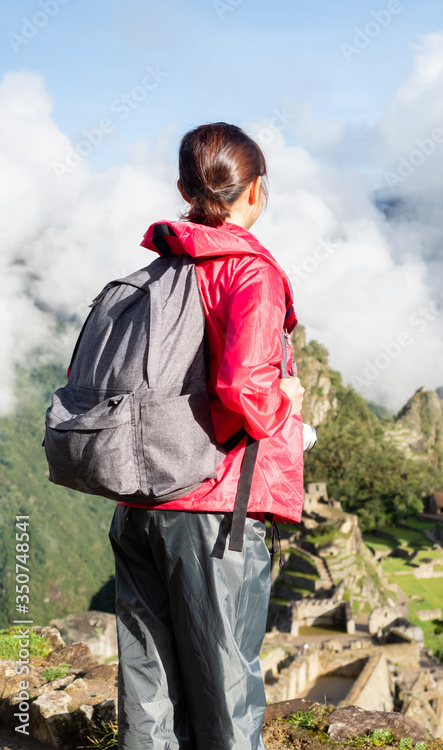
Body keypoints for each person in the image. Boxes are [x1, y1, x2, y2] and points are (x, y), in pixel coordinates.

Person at [109, 122, 306, 750]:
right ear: (257, 193)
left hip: (139, 498)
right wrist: (289, 404)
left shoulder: (162, 270)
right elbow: (244, 390)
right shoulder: (250, 273)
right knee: (225, 694)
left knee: (147, 686)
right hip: (214, 509)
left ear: (183, 189)